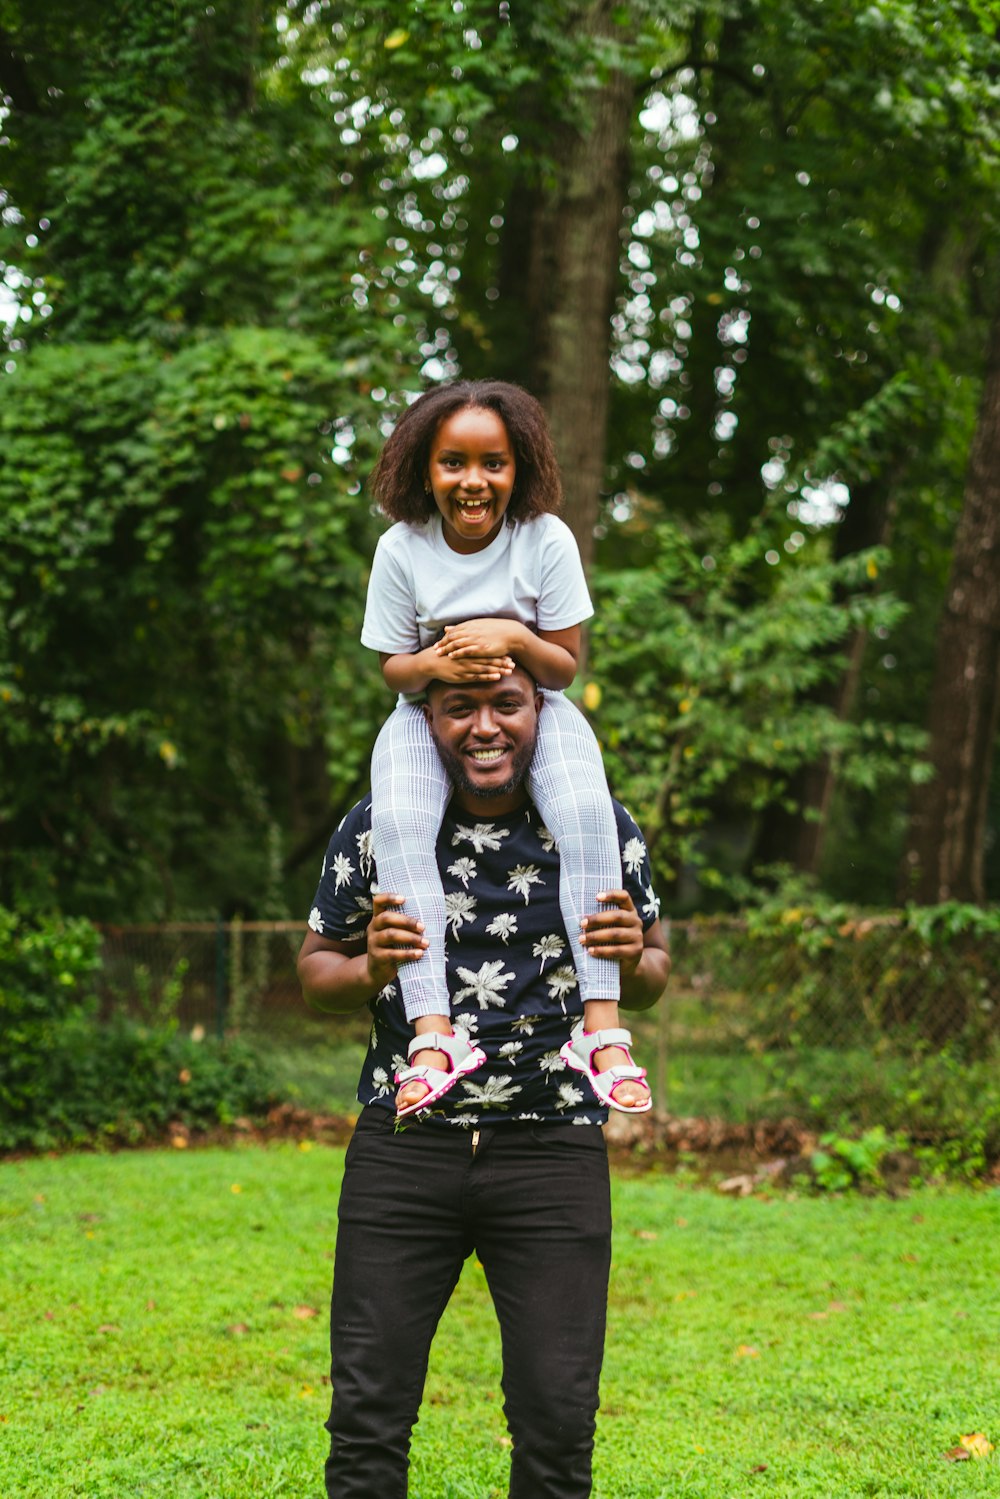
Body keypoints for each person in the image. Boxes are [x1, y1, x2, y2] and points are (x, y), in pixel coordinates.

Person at [298, 667, 670, 1499]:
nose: (484, 726)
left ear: (541, 709)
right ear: (426, 715)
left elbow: (653, 968)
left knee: (558, 1418)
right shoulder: (378, 828)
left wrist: (631, 957)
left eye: (507, 703)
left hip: (554, 1148)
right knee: (366, 1414)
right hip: (405, 1153)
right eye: (459, 706)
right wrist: (372, 965)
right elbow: (315, 969)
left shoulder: (597, 826)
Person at [361, 378, 651, 1115]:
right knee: (395, 825)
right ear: (424, 470)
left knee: (589, 812)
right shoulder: (402, 548)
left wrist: (514, 636)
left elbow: (563, 664)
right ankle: (432, 1032)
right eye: (452, 462)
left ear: (517, 466)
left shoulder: (545, 539)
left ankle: (603, 1028)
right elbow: (393, 666)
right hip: (428, 712)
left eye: (493, 462)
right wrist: (438, 665)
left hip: (538, 709)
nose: (473, 480)